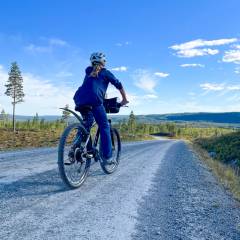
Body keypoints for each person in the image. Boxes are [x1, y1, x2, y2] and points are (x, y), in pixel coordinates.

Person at [73, 52, 129, 164]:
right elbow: (119, 84)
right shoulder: (106, 73)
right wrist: (124, 99)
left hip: (79, 99)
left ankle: (78, 146)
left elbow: (93, 86)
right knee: (104, 126)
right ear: (104, 62)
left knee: (87, 123)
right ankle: (107, 157)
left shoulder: (88, 71)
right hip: (95, 101)